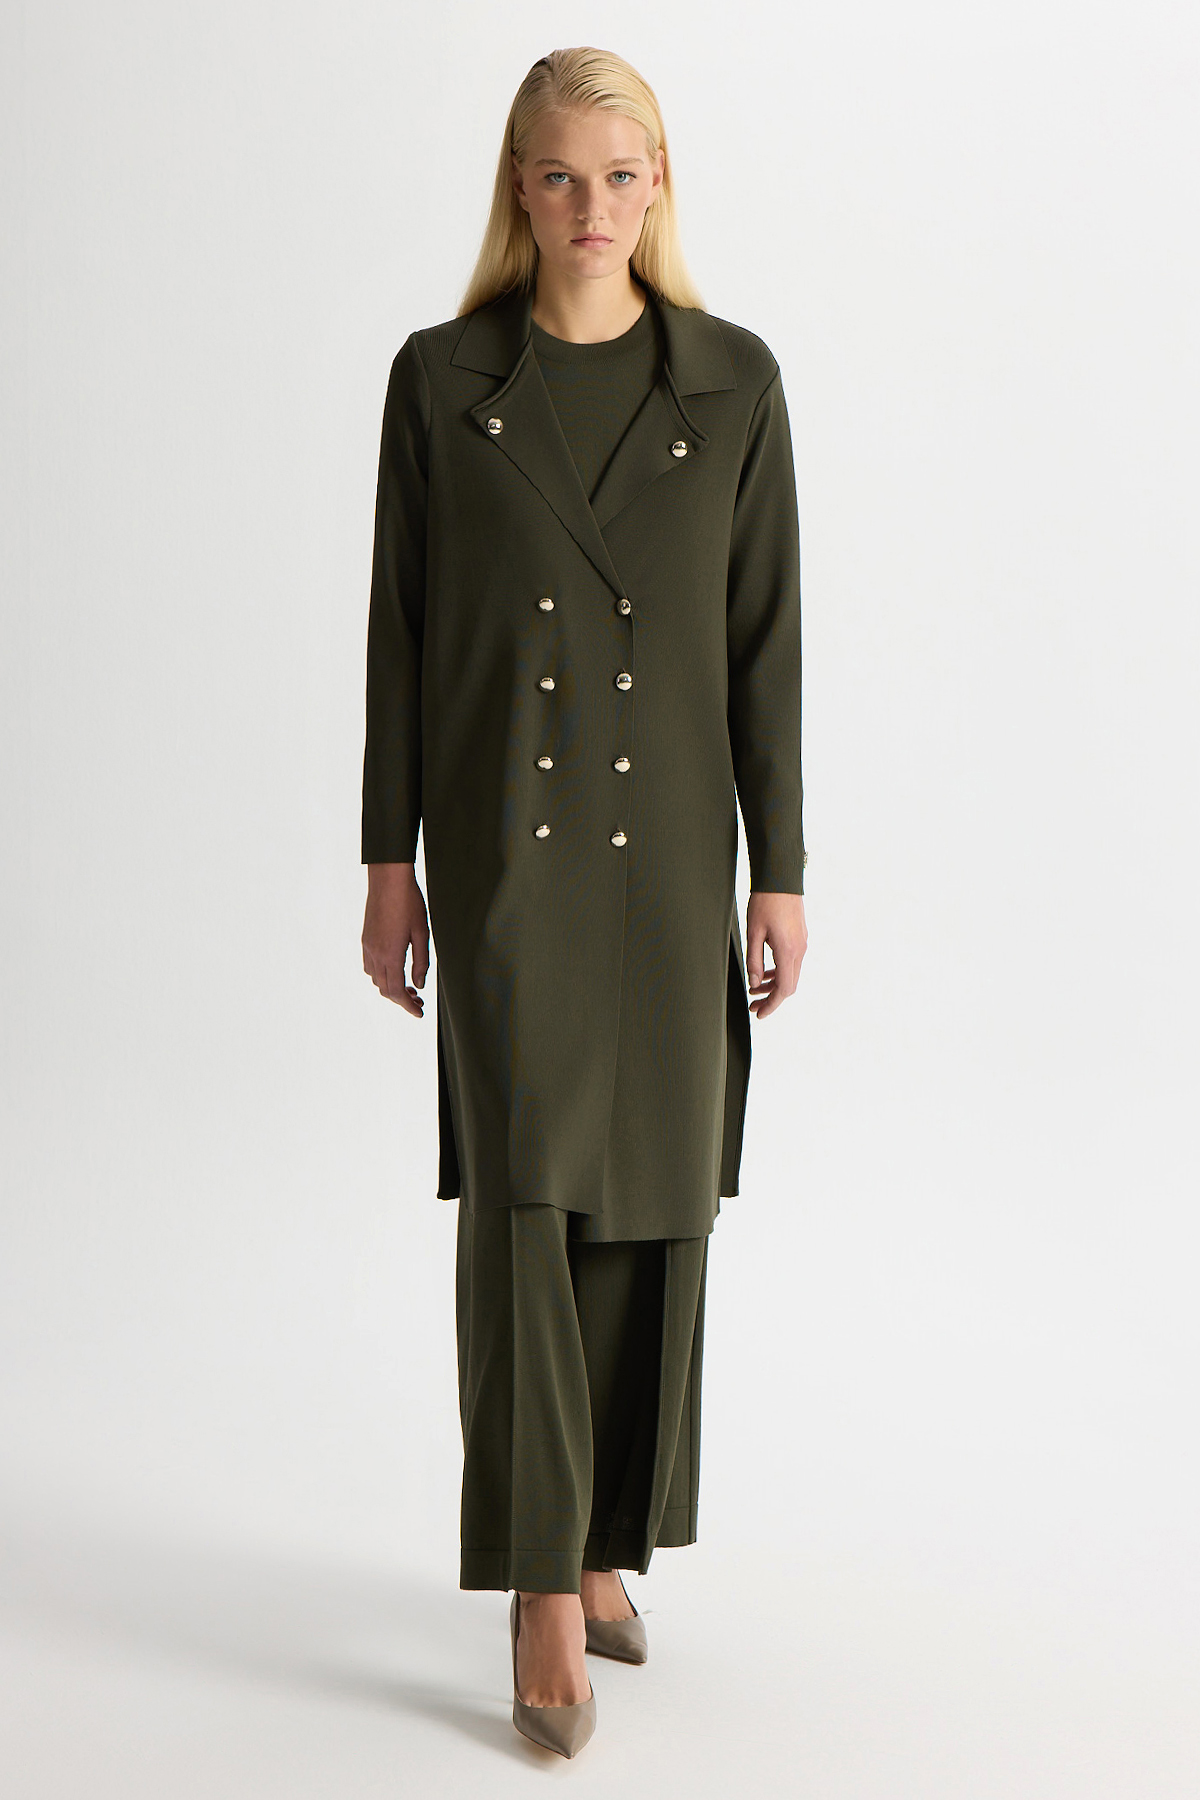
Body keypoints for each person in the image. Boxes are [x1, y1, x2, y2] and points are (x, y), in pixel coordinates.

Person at [360, 46, 807, 1758]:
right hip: (505, 848)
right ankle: (542, 1581)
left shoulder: (735, 383)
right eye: (559, 176)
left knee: (651, 1200)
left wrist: (783, 871)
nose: (591, 209)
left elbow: (765, 644)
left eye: (623, 176)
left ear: (660, 184)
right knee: (528, 1195)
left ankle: (608, 1539)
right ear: (518, 188)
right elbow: (401, 631)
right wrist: (388, 859)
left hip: (676, 849)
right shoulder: (441, 381)